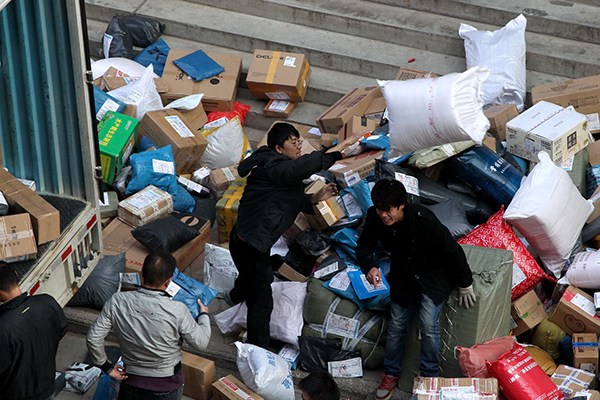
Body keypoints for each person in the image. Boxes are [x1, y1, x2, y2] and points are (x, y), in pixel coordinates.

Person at [356, 179, 476, 400]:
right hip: (403, 278)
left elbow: (452, 251)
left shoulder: (423, 219)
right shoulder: (375, 218)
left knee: (428, 326)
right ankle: (390, 374)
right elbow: (364, 245)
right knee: (396, 327)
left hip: (432, 278)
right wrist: (370, 266)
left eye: (388, 210)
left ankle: (428, 379)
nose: (383, 215)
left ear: (401, 205)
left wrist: (465, 282)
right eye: (380, 209)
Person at [226, 122, 343, 349]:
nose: (299, 146)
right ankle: (257, 351)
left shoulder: (277, 173)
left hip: (244, 240)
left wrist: (315, 198)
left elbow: (291, 199)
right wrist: (337, 152)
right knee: (261, 300)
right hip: (252, 243)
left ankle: (233, 296)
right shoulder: (275, 167)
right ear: (279, 148)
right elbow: (297, 169)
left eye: (299, 141)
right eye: (293, 142)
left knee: (250, 273)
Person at [87, 252, 211, 400]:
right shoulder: (178, 309)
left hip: (131, 381)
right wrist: (203, 316)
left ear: (141, 275)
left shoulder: (117, 301)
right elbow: (201, 343)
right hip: (167, 386)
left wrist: (106, 367)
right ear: (168, 281)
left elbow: (93, 338)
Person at [0, 264, 67, 400]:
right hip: (48, 385)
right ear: (16, 275)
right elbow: (61, 329)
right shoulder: (47, 302)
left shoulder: (3, 326)